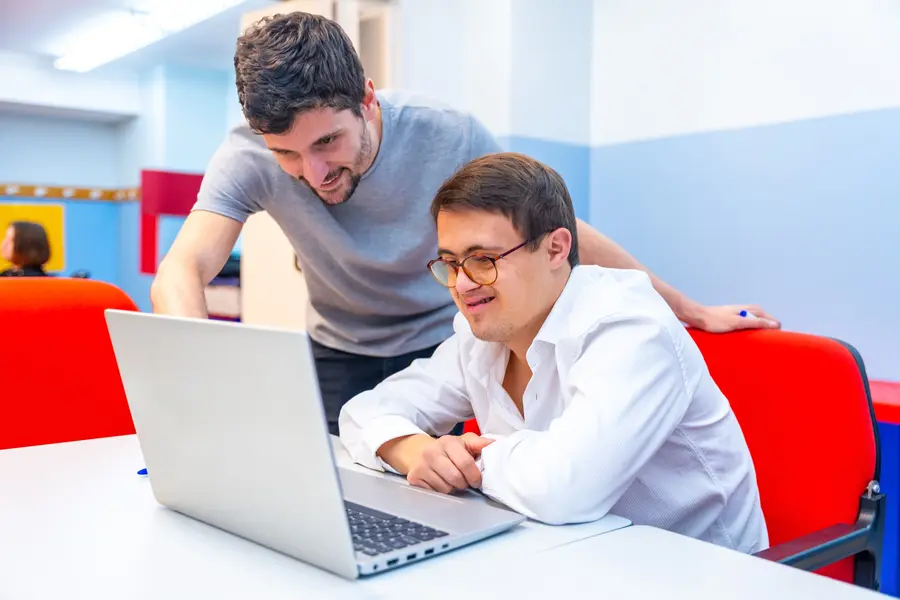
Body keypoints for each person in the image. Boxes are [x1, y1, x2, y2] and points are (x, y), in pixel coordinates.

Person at [150, 11, 780, 435]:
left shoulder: (447, 133)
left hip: (446, 343)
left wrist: (689, 309)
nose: (312, 173)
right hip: (339, 349)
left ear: (367, 99)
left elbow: (560, 231)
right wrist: (205, 367)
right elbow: (183, 268)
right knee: (342, 497)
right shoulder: (249, 154)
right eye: (287, 154)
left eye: (329, 143)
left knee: (447, 499)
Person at [339, 152, 768, 552]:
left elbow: (563, 489)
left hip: (695, 576)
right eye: (450, 263)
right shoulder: (481, 336)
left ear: (556, 249)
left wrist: (465, 459)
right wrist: (413, 449)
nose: (462, 284)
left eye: (483, 259)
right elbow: (363, 411)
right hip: (565, 556)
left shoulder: (629, 329)